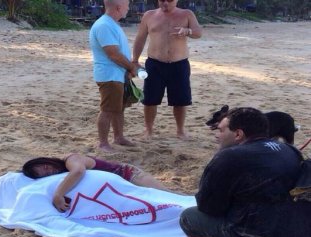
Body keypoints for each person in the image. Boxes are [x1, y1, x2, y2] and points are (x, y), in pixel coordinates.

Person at [179, 107, 311, 237]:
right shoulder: (290, 150)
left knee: (189, 218)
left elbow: (208, 208)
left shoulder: (229, 157)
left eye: (221, 130)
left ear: (238, 134)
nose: (217, 134)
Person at [132, 0, 202, 140]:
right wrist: (134, 60)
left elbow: (198, 32)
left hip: (179, 63)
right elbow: (140, 38)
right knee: (150, 99)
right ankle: (149, 130)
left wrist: (188, 31)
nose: (165, 3)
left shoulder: (186, 14)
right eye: (162, 0)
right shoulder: (149, 15)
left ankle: (180, 130)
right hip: (155, 63)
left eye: (169, 0)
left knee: (180, 100)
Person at [22, 154, 166, 212]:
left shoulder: (71, 159)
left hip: (129, 175)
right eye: (46, 174)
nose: (50, 171)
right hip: (117, 191)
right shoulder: (60, 175)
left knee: (167, 196)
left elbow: (78, 171)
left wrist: (58, 194)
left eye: (46, 167)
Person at [89, 0, 138, 152]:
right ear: (118, 7)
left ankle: (119, 137)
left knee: (119, 108)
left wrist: (130, 67)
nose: (128, 8)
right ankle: (103, 143)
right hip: (109, 75)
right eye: (127, 5)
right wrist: (131, 67)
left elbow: (118, 53)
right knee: (108, 110)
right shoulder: (104, 25)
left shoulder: (110, 24)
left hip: (117, 74)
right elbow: (113, 54)